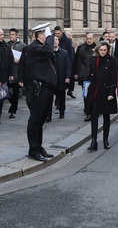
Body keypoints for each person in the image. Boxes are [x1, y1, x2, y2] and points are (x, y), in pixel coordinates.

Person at [19, 23, 58, 161]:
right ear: (39, 35)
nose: (50, 38)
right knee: (35, 120)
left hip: (45, 89)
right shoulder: (35, 48)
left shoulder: (38, 48)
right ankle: (33, 150)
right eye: (46, 35)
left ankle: (39, 146)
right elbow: (48, 51)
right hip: (37, 90)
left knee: (41, 120)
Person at [85, 41, 118, 151]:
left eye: (105, 50)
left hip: (106, 91)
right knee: (94, 116)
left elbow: (114, 77)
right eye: (101, 50)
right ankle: (93, 140)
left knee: (106, 117)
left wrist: (111, 93)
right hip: (95, 92)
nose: (103, 52)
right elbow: (90, 75)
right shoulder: (93, 60)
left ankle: (105, 140)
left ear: (107, 50)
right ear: (97, 50)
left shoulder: (112, 60)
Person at [0, 27, 14, 123]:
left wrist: (11, 73)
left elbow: (10, 61)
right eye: (0, 35)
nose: (2, 36)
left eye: (3, 35)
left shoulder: (6, 47)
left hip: (3, 75)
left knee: (0, 96)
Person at [5, 28, 27, 118]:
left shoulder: (22, 45)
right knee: (6, 91)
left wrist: (19, 60)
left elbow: (25, 58)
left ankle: (13, 110)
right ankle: (12, 105)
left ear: (17, 35)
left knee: (16, 92)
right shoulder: (7, 45)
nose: (11, 36)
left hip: (17, 72)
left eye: (13, 34)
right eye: (10, 34)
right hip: (8, 71)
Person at [75, 32, 97, 120]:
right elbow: (79, 62)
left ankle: (95, 110)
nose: (89, 40)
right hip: (86, 75)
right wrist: (78, 73)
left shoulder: (97, 49)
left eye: (90, 39)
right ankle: (88, 111)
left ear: (93, 39)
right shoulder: (82, 49)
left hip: (95, 74)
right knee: (86, 94)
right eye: (87, 39)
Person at [52, 33, 73, 120]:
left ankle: (62, 112)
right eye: (53, 40)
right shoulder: (49, 52)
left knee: (61, 96)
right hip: (51, 79)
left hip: (61, 78)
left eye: (56, 40)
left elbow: (68, 65)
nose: (55, 42)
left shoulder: (64, 52)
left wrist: (68, 77)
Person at [53, 26, 76, 100]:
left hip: (64, 63)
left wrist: (70, 66)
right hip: (55, 65)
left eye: (58, 33)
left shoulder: (67, 41)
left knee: (61, 88)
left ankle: (59, 102)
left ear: (61, 32)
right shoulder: (52, 39)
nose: (57, 35)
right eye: (55, 33)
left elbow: (70, 53)